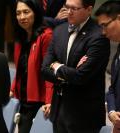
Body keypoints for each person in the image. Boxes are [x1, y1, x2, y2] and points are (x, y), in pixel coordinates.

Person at [41, 0, 110, 132]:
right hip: (59, 110)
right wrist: (68, 74)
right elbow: (44, 69)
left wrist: (57, 66)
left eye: (75, 8)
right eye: (67, 7)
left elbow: (81, 76)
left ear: (89, 9)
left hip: (84, 115)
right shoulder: (59, 30)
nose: (69, 12)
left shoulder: (99, 36)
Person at [9, 0, 53, 132]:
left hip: (39, 99)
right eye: (18, 13)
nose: (22, 17)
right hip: (23, 97)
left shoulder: (46, 36)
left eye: (26, 12)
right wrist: (12, 89)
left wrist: (49, 100)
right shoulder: (20, 36)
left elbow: (49, 70)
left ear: (36, 12)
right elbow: (20, 70)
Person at [95, 1, 120, 133]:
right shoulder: (117, 54)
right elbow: (112, 88)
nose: (103, 32)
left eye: (105, 25)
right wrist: (111, 111)